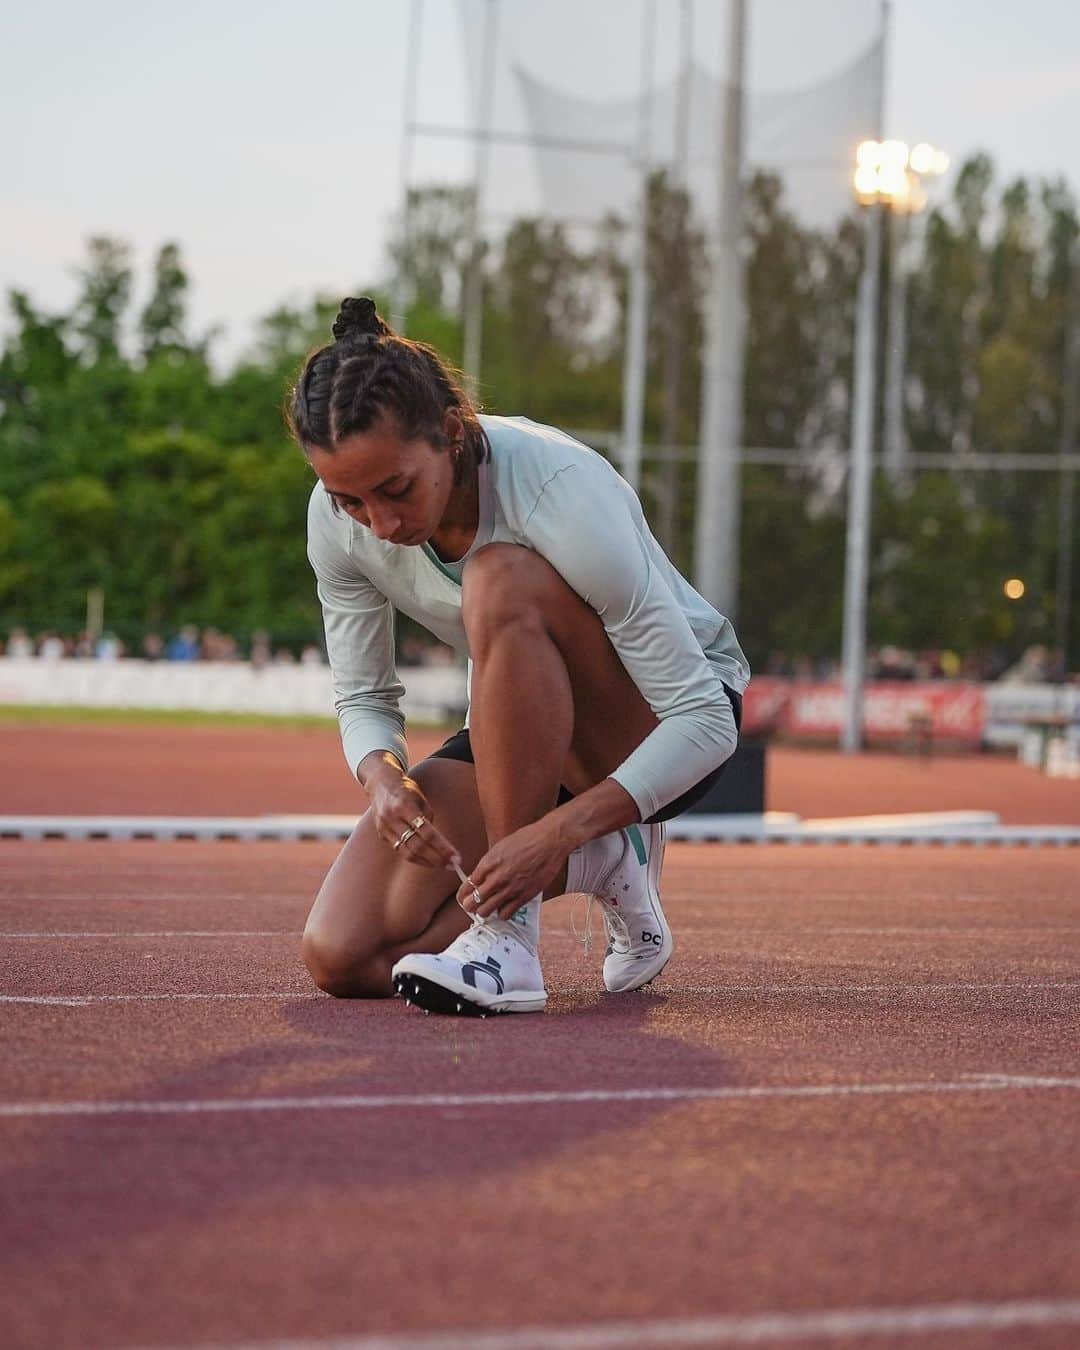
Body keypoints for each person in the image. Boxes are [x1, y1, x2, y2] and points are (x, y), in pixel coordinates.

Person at [290, 297, 749, 1016]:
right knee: (344, 955)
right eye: (350, 501)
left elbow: (705, 723)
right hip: (528, 730)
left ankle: (510, 940)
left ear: (451, 431)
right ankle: (601, 862)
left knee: (498, 575)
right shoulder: (334, 521)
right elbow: (364, 698)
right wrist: (384, 780)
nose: (378, 524)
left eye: (396, 490)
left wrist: (557, 831)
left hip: (657, 721)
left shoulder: (558, 491)